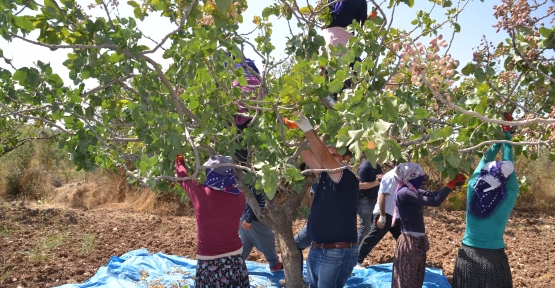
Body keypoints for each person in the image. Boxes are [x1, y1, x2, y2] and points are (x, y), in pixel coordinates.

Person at [285, 113, 360, 288]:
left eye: (335, 154)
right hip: (318, 249)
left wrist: (308, 129)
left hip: (336, 252)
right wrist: (292, 128)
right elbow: (307, 154)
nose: (328, 157)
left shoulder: (347, 177)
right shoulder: (325, 175)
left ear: (345, 158)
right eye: (328, 153)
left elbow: (324, 158)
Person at [452, 129, 519, 288]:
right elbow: (510, 171)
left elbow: (483, 162)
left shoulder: (473, 190)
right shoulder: (507, 197)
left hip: (467, 257)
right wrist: (507, 137)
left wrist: (498, 140)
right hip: (494, 260)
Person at [175, 154, 249, 287]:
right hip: (235, 259)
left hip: (208, 262)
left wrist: (179, 161)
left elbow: (183, 178)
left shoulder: (200, 194)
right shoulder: (241, 197)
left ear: (210, 173)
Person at [391, 162, 467, 288]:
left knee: (416, 276)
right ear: (410, 176)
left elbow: (433, 194)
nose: (421, 178)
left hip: (416, 241)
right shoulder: (405, 192)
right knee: (407, 279)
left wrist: (452, 184)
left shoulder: (412, 189)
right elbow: (435, 201)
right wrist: (450, 185)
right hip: (410, 242)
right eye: (419, 176)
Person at [355, 166, 401, 268]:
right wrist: (382, 216)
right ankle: (357, 261)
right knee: (373, 237)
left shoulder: (401, 177)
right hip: (385, 213)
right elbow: (382, 196)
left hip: (394, 214)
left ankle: (406, 260)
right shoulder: (390, 176)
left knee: (402, 237)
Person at [239, 186, 283, 272]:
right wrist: (248, 219)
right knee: (268, 237)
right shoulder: (257, 184)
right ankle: (274, 264)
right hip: (251, 219)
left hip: (244, 216)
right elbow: (251, 201)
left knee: (245, 242)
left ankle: (236, 264)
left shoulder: (256, 182)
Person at [356, 159, 383, 245]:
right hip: (365, 201)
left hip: (374, 201)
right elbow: (359, 185)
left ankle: (361, 248)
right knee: (366, 228)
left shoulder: (377, 166)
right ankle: (356, 249)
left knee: (371, 227)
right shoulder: (364, 167)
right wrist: (376, 182)